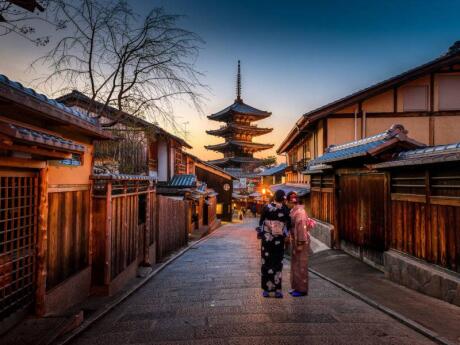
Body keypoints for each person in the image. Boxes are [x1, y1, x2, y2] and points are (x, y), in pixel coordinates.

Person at [257, 189, 290, 298]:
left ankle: (266, 290)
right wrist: (284, 233)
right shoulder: (285, 209)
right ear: (283, 198)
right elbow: (288, 225)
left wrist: (264, 231)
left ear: (274, 197)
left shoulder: (267, 207)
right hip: (279, 240)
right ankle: (277, 290)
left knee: (266, 263)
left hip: (267, 240)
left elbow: (261, 222)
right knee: (277, 264)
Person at [286, 191, 315, 297]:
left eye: (287, 201)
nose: (287, 203)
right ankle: (296, 287)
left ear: (291, 201)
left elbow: (301, 228)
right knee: (295, 264)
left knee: (301, 264)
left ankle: (302, 289)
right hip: (295, 238)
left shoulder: (300, 212)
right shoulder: (294, 210)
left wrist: (301, 243)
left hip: (300, 240)